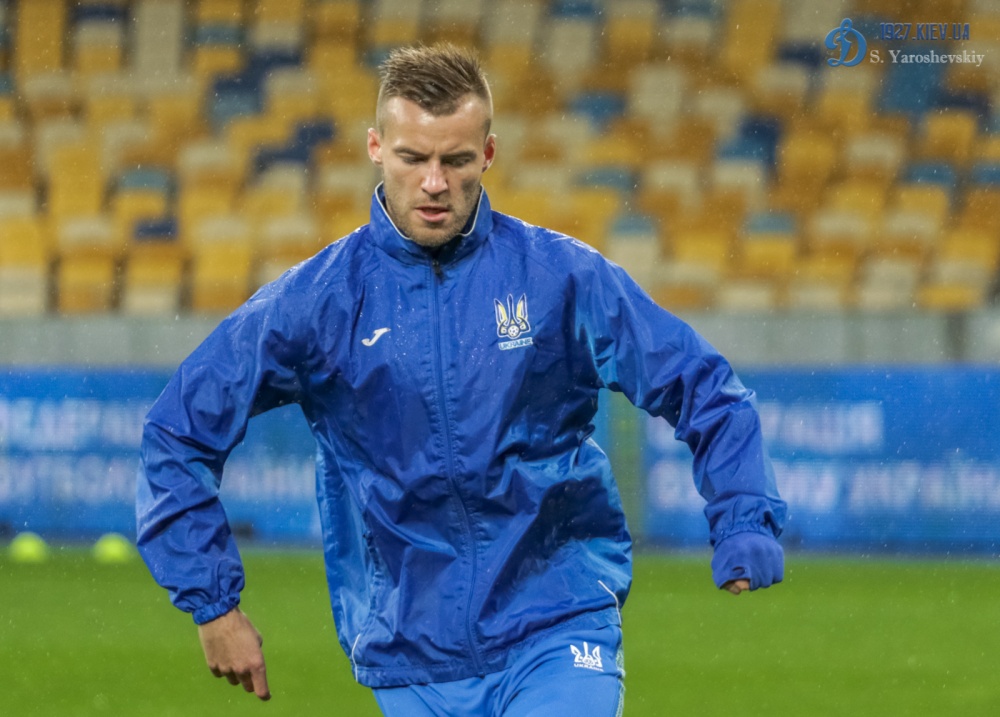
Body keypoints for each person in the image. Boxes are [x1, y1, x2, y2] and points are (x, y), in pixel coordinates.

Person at [136, 44, 786, 716]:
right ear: (375, 148)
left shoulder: (561, 278)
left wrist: (744, 516)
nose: (434, 182)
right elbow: (176, 432)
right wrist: (214, 605)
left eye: (456, 160)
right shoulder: (315, 303)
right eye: (413, 158)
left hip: (558, 623)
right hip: (410, 654)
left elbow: (702, 385)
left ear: (489, 154)